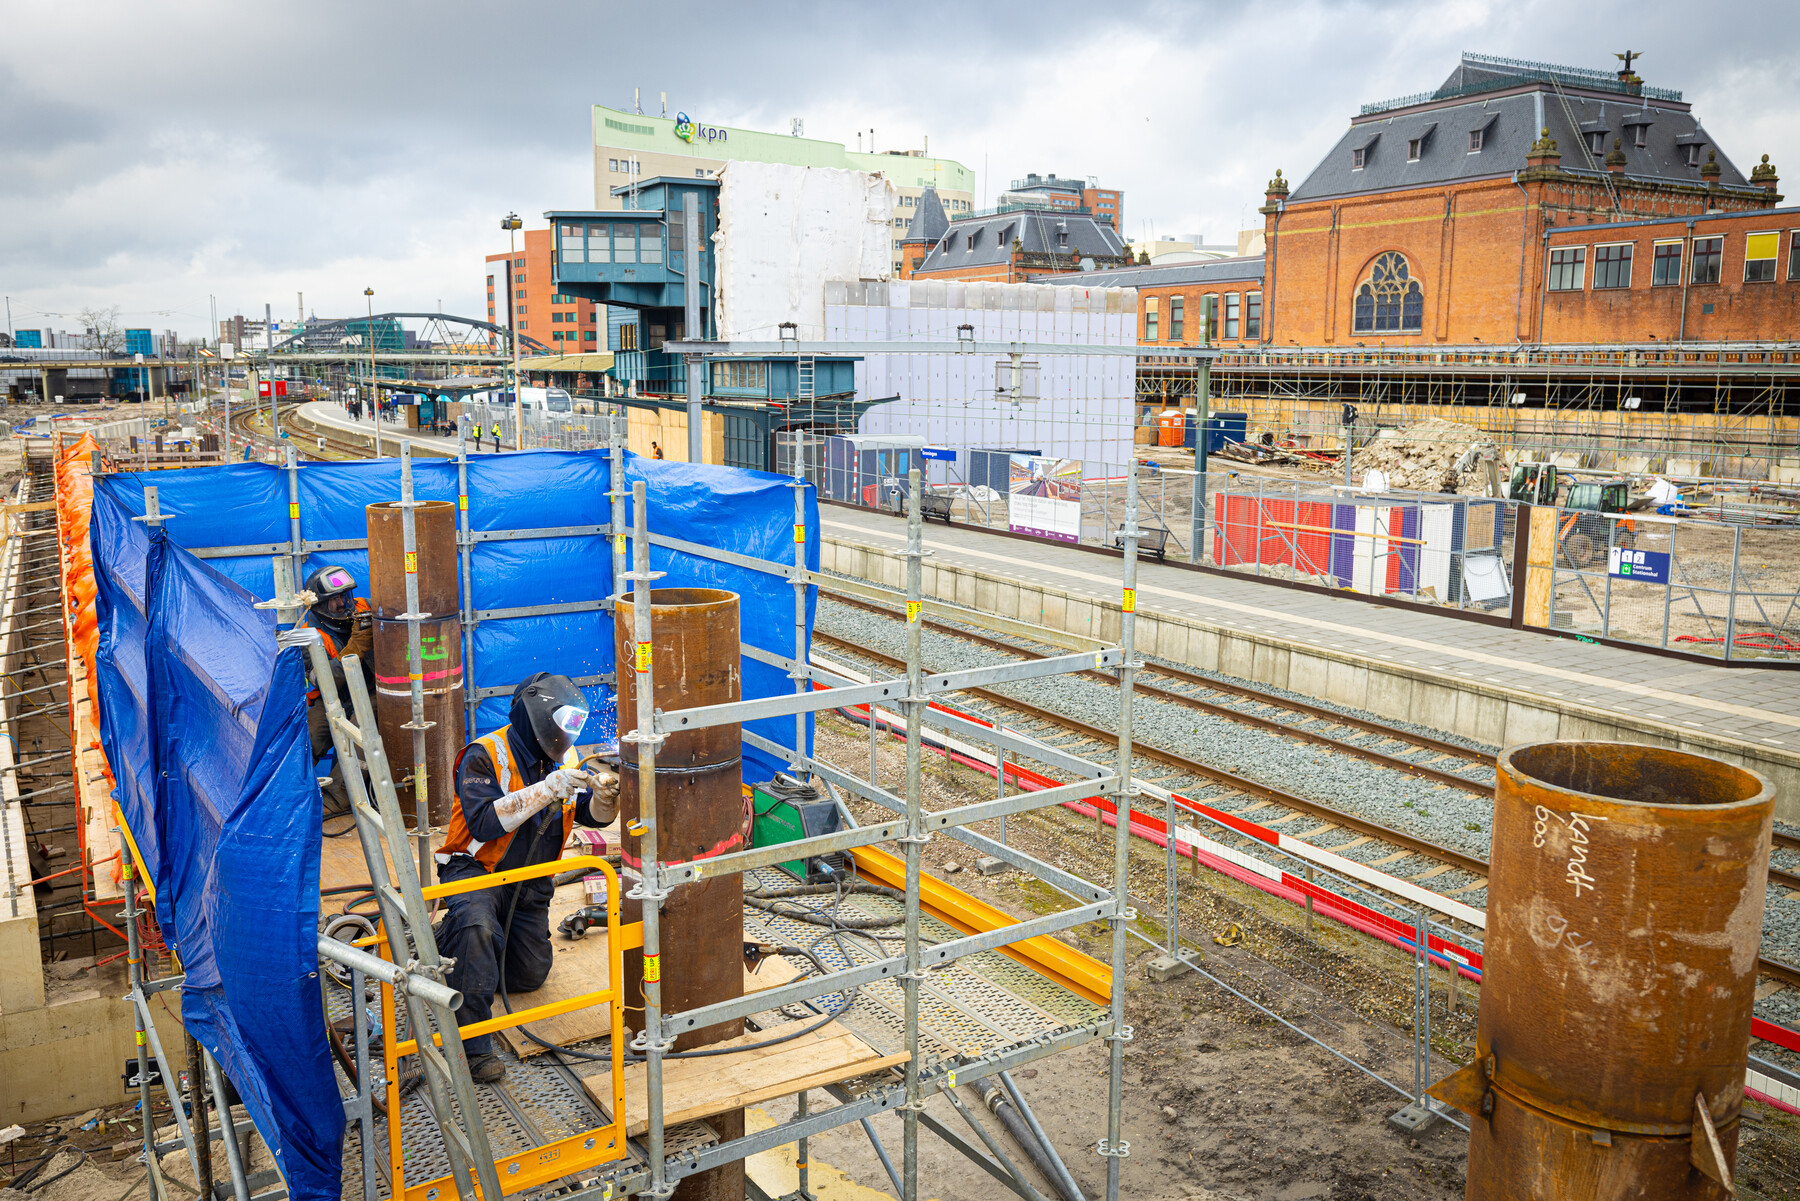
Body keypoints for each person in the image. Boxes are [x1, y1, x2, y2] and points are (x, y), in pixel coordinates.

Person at [435, 673, 619, 1082]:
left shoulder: (565, 758)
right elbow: (484, 823)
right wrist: (548, 788)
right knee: (477, 929)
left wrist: (606, 802)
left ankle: (470, 948)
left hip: (530, 880)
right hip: (478, 870)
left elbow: (588, 814)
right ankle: (473, 1048)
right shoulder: (485, 755)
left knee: (529, 974)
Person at [294, 565, 374, 811]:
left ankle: (336, 800)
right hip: (333, 697)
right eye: (335, 599)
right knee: (307, 738)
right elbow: (324, 680)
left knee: (360, 731)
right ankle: (290, 798)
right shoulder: (308, 635)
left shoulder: (367, 608)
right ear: (319, 606)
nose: (343, 604)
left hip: (372, 695)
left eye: (345, 596)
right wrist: (354, 649)